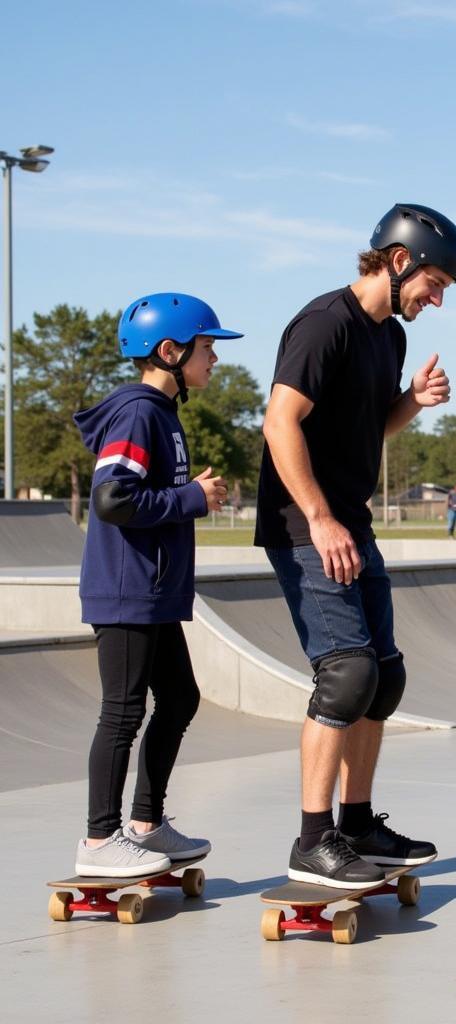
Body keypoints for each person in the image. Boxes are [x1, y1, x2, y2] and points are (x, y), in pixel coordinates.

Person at [256, 203, 456, 888]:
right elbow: (280, 423)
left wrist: (412, 403)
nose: (436, 300)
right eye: (434, 284)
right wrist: (318, 518)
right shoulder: (325, 325)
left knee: (384, 676)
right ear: (400, 261)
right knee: (347, 674)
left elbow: (367, 428)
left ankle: (356, 824)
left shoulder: (388, 338)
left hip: (350, 522)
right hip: (306, 527)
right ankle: (311, 841)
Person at [73, 292, 241, 876]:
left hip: (153, 590)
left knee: (180, 698)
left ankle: (145, 825)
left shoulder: (162, 413)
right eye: (207, 347)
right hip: (126, 589)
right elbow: (112, 496)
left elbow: (139, 491)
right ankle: (98, 842)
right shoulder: (138, 412)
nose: (215, 358)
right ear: (170, 351)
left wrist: (184, 492)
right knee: (122, 711)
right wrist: (190, 497)